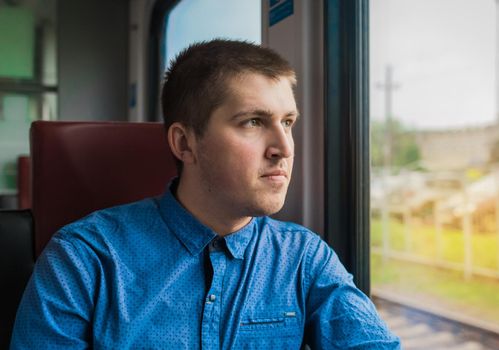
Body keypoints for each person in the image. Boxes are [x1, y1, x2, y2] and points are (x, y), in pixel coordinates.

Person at [11, 39, 400, 349]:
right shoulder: (83, 259)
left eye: (287, 122)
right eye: (252, 121)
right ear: (185, 144)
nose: (284, 146)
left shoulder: (304, 258)